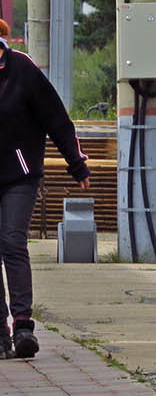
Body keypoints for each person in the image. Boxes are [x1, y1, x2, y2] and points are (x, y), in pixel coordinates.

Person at [0, 19, 91, 359]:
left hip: (19, 174)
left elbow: (56, 118)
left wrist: (77, 163)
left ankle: (23, 325)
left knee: (11, 239)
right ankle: (0, 332)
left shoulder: (21, 69)